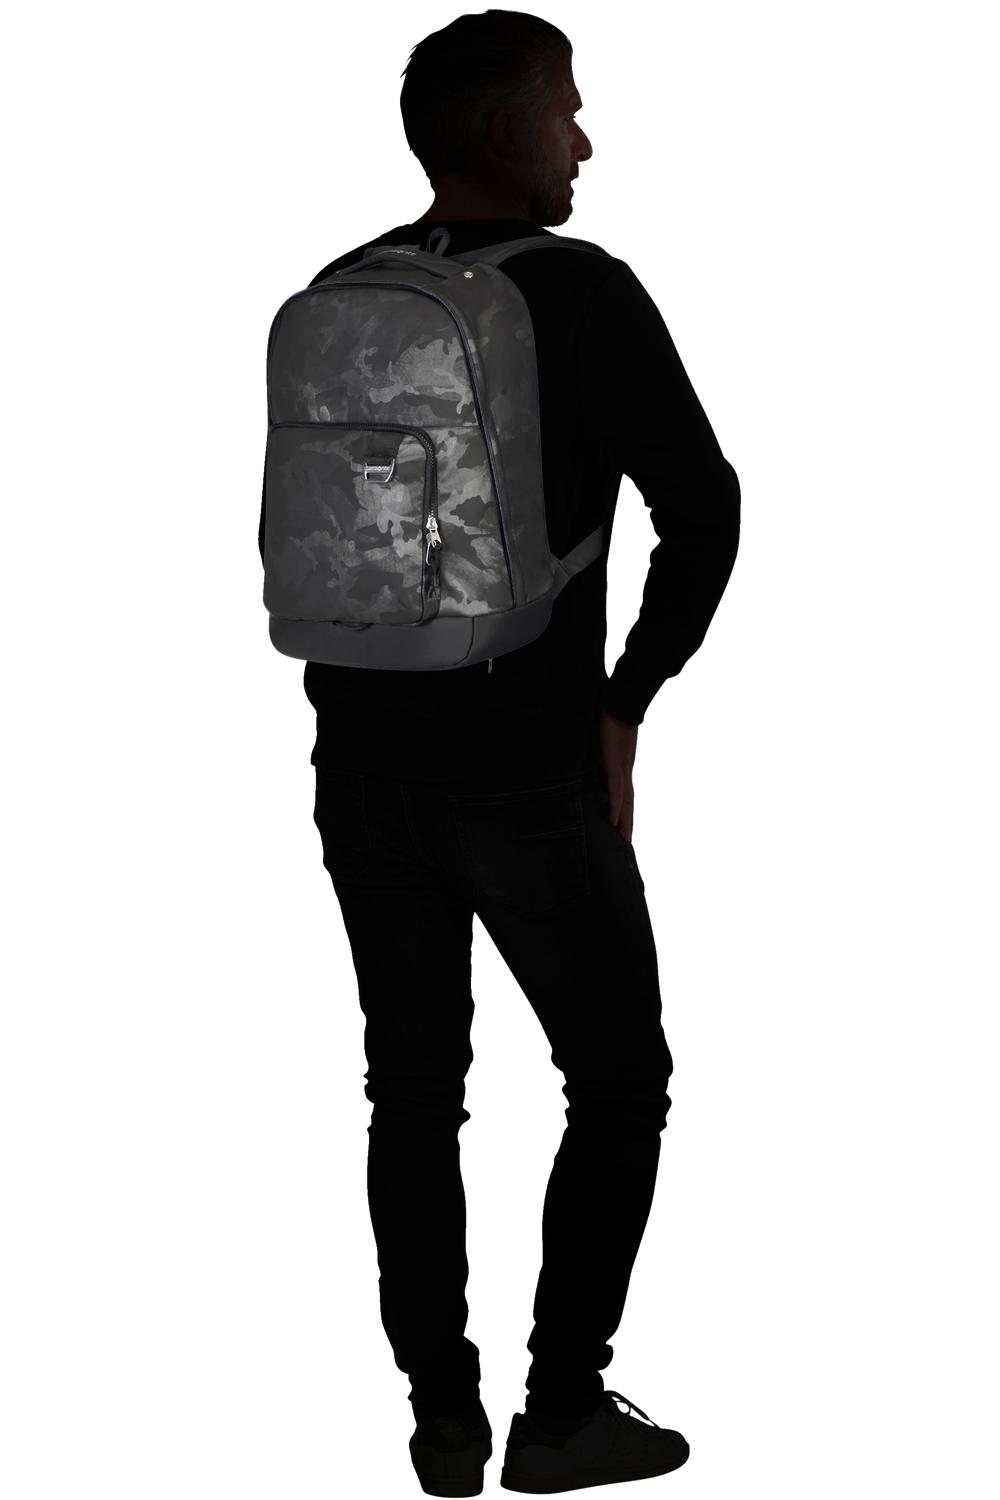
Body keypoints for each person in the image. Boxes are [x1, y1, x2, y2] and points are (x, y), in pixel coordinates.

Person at [260, 10, 740, 1495]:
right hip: (529, 773)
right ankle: (563, 1410)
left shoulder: (342, 289)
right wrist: (625, 699)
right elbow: (706, 510)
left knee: (412, 1093)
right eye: (565, 111)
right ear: (501, 133)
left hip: (360, 766)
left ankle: (443, 1420)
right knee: (619, 1078)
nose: (583, 141)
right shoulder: (581, 292)